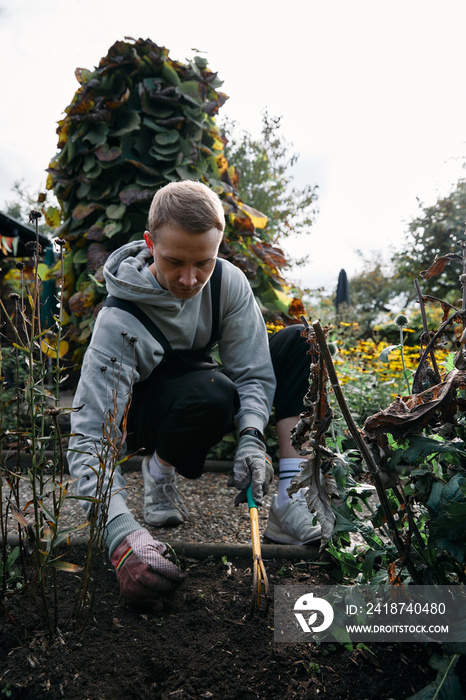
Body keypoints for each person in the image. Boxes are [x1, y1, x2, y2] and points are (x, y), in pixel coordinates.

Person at [67, 180, 320, 603]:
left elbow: (254, 373)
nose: (189, 279)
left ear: (219, 246)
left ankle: (288, 499)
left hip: (203, 384)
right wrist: (119, 531)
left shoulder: (227, 283)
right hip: (148, 415)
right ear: (150, 244)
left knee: (301, 341)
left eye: (204, 261)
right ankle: (158, 471)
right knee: (214, 392)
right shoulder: (119, 320)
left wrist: (253, 440)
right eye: (174, 262)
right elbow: (89, 436)